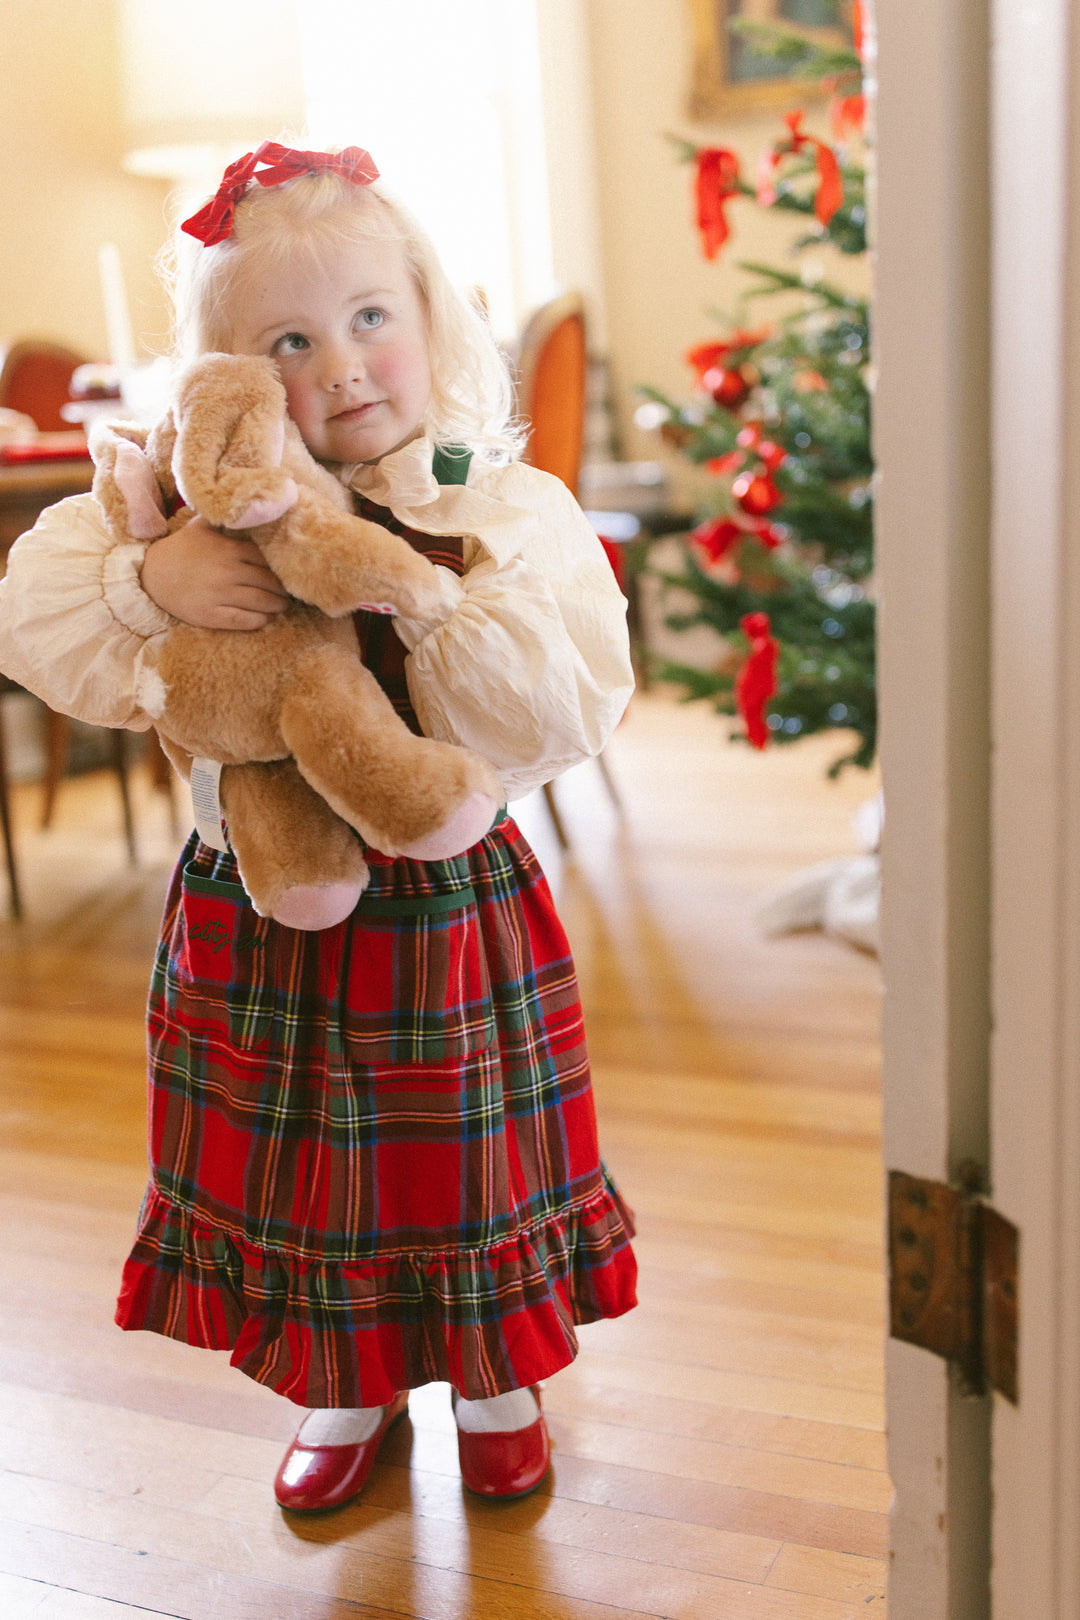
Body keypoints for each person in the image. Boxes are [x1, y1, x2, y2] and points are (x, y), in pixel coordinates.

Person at [0, 142, 637, 1510]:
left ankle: (495, 1381)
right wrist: (151, 573)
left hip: (440, 897)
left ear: (428, 319)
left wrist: (430, 598)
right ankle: (343, 1385)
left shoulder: (493, 504)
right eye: (289, 341)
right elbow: (49, 623)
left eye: (368, 321)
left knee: (460, 1157)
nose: (340, 364)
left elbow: (564, 698)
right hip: (260, 897)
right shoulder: (184, 512)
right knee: (315, 1175)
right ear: (226, 375)